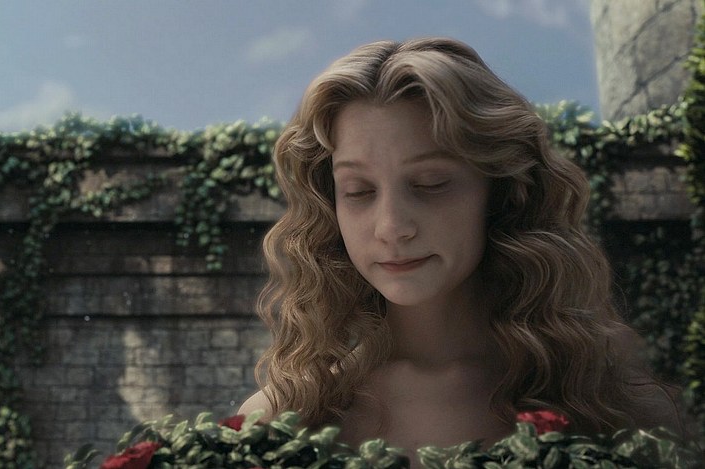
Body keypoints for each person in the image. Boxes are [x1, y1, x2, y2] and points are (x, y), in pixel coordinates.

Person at [239, 37, 688, 453]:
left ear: (502, 192)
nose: (391, 227)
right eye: (358, 190)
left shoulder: (614, 410)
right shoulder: (282, 419)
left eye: (430, 183)